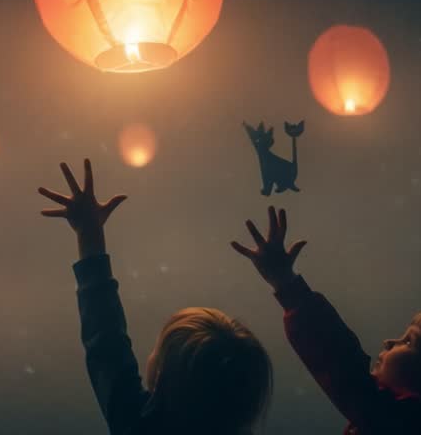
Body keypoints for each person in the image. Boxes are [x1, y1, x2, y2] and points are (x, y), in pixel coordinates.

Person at [231, 206, 421, 434]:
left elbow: (341, 362)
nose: (389, 341)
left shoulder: (405, 425)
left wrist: (286, 284)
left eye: (409, 341)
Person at [38, 159, 273, 434]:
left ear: (161, 378)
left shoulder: (137, 425)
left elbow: (106, 341)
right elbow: (106, 344)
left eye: (158, 352)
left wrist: (89, 233)